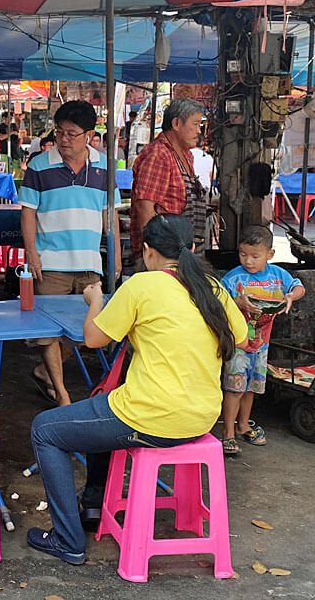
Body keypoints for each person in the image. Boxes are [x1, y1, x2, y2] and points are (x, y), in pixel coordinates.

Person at [27, 213, 248, 566]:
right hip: (202, 417)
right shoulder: (214, 288)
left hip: (150, 418)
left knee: (45, 429)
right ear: (190, 249)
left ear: (147, 252)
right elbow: (242, 338)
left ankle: (67, 540)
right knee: (99, 406)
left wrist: (94, 299)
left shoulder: (140, 286)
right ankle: (94, 502)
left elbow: (93, 339)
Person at [20, 100, 121, 406]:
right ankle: (62, 394)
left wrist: (113, 256)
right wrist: (32, 253)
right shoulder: (39, 165)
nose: (64, 139)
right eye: (60, 132)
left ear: (90, 135)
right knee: (48, 331)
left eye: (72, 133)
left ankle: (45, 372)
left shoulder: (106, 167)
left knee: (83, 331)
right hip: (49, 262)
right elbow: (27, 214)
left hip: (89, 261)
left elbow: (111, 214)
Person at [218, 226, 305, 455]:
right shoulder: (233, 277)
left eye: (255, 256)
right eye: (243, 254)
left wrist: (289, 296)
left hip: (262, 345)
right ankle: (227, 433)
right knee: (234, 389)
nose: (248, 261)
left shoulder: (278, 276)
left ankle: (243, 425)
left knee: (251, 389)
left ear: (270, 254)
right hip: (238, 344)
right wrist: (238, 303)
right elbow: (218, 302)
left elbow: (299, 288)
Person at [130, 98, 207, 270]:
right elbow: (145, 208)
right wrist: (155, 255)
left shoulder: (186, 156)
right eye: (195, 124)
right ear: (176, 123)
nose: (198, 131)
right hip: (164, 258)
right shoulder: (159, 155)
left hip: (185, 255)